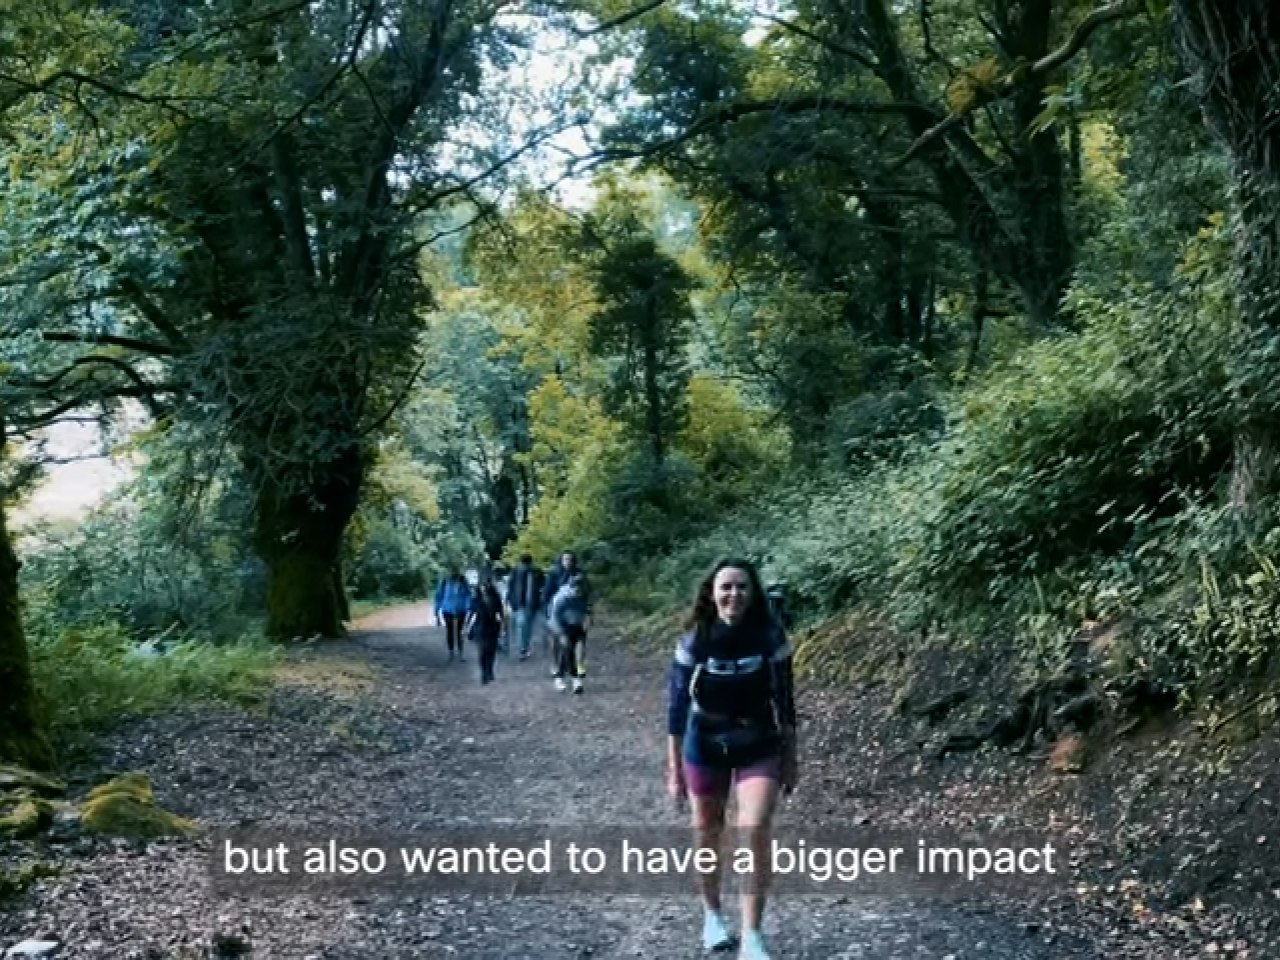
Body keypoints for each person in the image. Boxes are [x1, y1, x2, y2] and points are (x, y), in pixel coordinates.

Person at [665, 560, 798, 960]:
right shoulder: (695, 641)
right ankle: (711, 916)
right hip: (704, 741)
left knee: (753, 828)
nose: (734, 594)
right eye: (726, 587)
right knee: (707, 829)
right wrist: (673, 769)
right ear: (711, 592)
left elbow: (787, 703)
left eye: (742, 587)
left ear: (753, 593)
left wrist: (792, 757)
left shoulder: (770, 638)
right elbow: (675, 709)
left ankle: (752, 935)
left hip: (759, 739)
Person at [548, 569, 591, 694]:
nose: (579, 592)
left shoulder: (583, 595)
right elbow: (554, 617)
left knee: (571, 650)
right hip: (561, 624)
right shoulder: (561, 598)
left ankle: (561, 677)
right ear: (571, 587)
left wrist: (587, 621)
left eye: (581, 590)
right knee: (567, 649)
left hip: (577, 624)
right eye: (577, 590)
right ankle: (573, 679)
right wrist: (561, 633)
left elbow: (587, 610)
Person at [506, 554, 545, 660]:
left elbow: (543, 586)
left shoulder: (536, 571)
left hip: (531, 603)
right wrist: (510, 601)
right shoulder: (516, 571)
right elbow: (510, 586)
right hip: (521, 603)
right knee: (522, 624)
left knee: (526, 627)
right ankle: (522, 648)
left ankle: (525, 647)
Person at [468, 571, 505, 684]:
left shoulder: (495, 597)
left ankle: (489, 670)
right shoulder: (476, 598)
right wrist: (467, 626)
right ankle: (484, 673)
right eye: (482, 586)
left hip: (493, 626)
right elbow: (471, 612)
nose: (484, 588)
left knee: (491, 651)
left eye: (486, 585)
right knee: (482, 651)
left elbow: (500, 612)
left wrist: (503, 627)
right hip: (480, 627)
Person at [433, 570, 472, 662]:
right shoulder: (444, 582)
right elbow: (438, 597)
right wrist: (436, 613)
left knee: (460, 632)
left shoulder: (463, 582)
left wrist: (468, 607)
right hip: (447, 610)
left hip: (461, 610)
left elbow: (468, 595)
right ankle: (451, 652)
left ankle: (460, 653)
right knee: (450, 630)